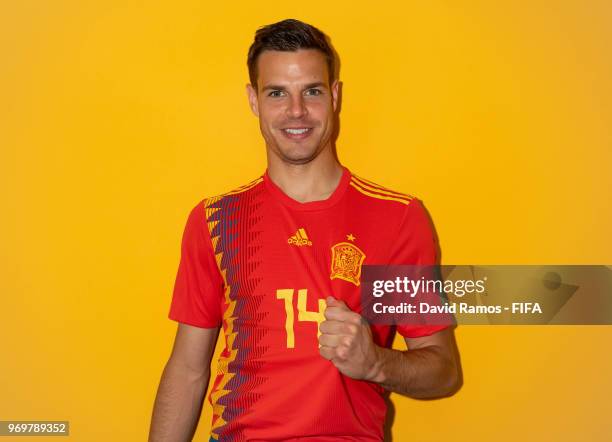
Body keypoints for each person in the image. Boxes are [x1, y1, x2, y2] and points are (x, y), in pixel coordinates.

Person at [149, 18, 460, 442]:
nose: (296, 111)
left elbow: (442, 369)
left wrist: (375, 364)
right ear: (253, 101)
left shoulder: (395, 218)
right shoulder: (216, 220)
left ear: (334, 97)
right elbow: (187, 369)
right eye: (277, 93)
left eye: (311, 91)